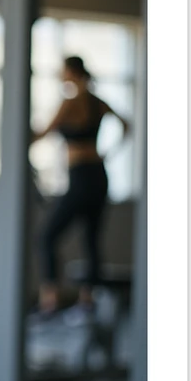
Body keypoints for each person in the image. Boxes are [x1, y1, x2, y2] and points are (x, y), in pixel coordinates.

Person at [30, 55, 131, 317]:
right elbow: (126, 125)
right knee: (91, 239)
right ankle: (88, 301)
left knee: (47, 236)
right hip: (99, 174)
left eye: (62, 70)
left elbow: (44, 132)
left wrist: (18, 136)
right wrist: (108, 152)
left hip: (81, 176)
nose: (59, 74)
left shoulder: (70, 102)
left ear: (71, 72)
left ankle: (50, 299)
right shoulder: (97, 102)